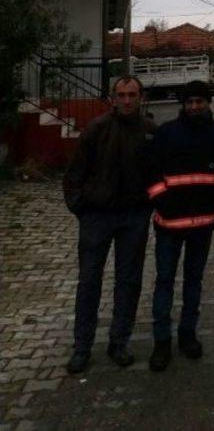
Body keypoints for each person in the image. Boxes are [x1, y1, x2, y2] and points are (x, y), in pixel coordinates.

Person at [145, 80, 214, 371]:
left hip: (203, 226)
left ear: (208, 103)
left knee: (193, 282)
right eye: (189, 102)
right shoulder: (166, 134)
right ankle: (162, 341)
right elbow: (149, 173)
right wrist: (162, 202)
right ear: (182, 105)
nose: (195, 106)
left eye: (200, 101)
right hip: (168, 226)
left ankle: (188, 335)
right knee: (164, 282)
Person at [63, 76, 155, 374]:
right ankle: (82, 346)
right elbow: (74, 172)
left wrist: (148, 206)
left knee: (128, 281)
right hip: (97, 216)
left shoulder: (150, 132)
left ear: (141, 97)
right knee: (89, 281)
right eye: (121, 95)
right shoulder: (96, 128)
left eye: (132, 95)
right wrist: (81, 207)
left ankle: (119, 342)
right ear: (113, 97)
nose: (127, 100)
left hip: (133, 217)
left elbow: (159, 174)